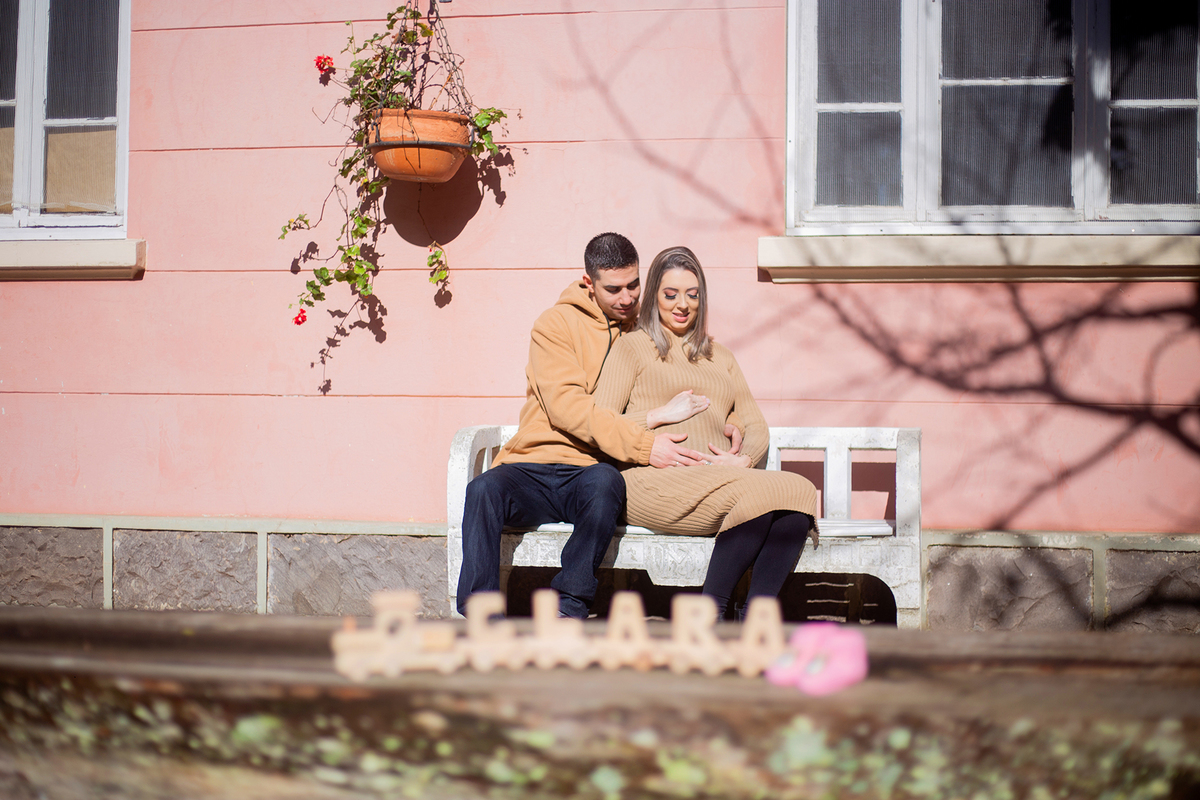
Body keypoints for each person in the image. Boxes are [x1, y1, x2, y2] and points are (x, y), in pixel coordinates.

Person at [456, 233, 721, 619]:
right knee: (483, 490)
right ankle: (481, 616)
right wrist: (646, 443)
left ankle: (568, 608)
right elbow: (568, 408)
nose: (627, 297)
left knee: (604, 483)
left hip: (588, 471)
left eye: (633, 285)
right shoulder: (555, 325)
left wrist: (729, 422)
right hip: (532, 466)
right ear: (588, 283)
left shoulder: (646, 332)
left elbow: (690, 372)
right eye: (613, 289)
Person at [593, 246, 819, 620]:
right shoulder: (632, 348)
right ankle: (712, 614)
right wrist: (658, 416)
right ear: (654, 296)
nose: (682, 305)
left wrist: (743, 459)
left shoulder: (720, 356)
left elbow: (755, 423)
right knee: (763, 497)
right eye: (670, 294)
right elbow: (601, 423)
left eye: (692, 295)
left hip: (717, 478)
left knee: (799, 496)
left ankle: (755, 620)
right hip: (651, 478)